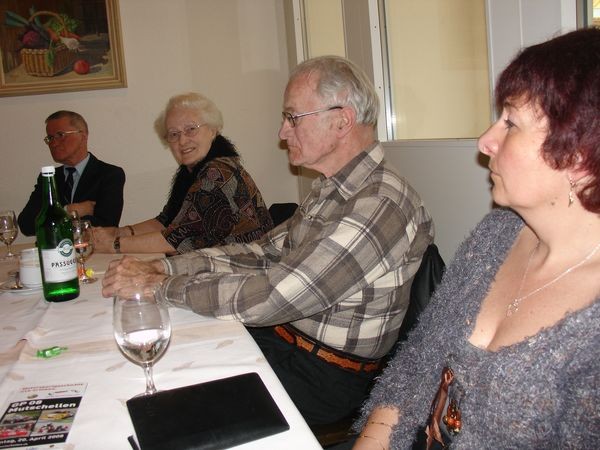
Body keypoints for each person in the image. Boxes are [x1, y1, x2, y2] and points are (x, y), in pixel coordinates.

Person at [102, 56, 433, 425]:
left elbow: (275, 296)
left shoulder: (379, 204)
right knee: (157, 361)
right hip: (285, 340)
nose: (282, 132)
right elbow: (262, 253)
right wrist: (164, 267)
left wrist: (162, 286)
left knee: (169, 407)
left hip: (323, 376)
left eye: (293, 117)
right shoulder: (331, 189)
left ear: (342, 120)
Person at [353, 28, 600, 450]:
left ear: (578, 155)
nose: (486, 141)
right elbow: (416, 367)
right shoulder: (496, 235)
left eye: (511, 123)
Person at [92, 92, 273, 255]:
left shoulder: (217, 174)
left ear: (213, 130)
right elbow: (166, 221)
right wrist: (119, 232)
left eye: (191, 129)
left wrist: (113, 244)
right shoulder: (192, 172)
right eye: (174, 134)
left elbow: (178, 239)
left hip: (245, 269)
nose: (182, 140)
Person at [18, 110, 125, 236]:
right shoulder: (48, 178)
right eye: (50, 138)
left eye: (60, 135)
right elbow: (26, 224)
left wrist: (51, 220)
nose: (53, 143)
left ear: (83, 135)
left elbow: (106, 226)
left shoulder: (109, 174)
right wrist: (69, 211)